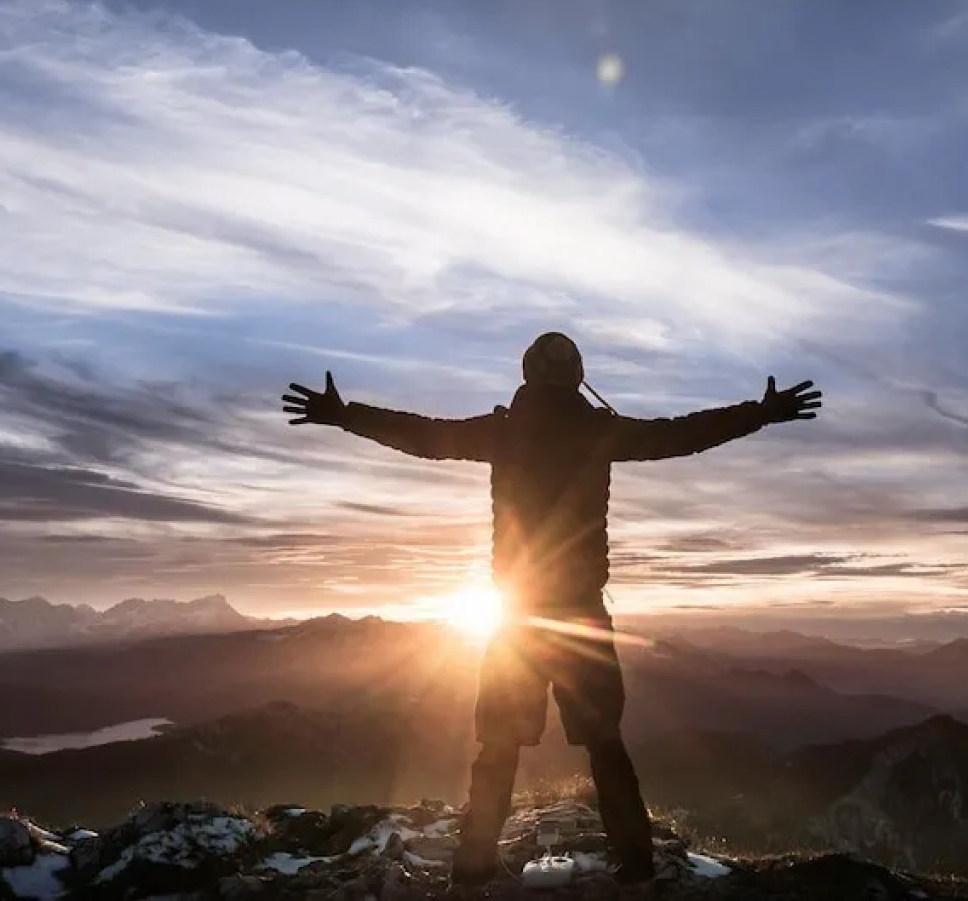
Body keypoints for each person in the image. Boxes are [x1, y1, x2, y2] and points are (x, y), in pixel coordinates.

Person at [282, 332, 819, 887]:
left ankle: (472, 870)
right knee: (606, 745)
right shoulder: (598, 430)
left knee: (498, 746)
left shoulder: (502, 432)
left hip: (516, 616)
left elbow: (424, 436)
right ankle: (636, 867)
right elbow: (681, 435)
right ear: (577, 376)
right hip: (581, 617)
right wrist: (760, 413)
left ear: (527, 375)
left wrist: (344, 415)